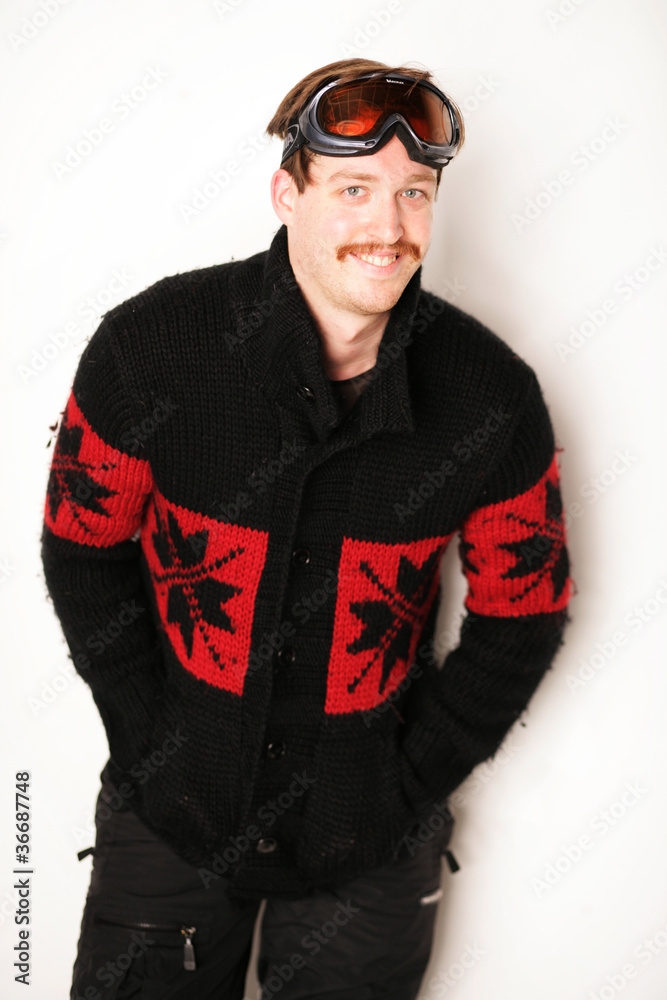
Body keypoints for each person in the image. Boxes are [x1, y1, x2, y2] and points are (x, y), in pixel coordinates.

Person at [41, 57, 572, 999]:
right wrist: (148, 740)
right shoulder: (149, 348)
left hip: (370, 837)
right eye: (353, 189)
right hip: (169, 814)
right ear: (287, 194)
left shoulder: (491, 397)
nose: (388, 226)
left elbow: (523, 612)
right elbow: (83, 547)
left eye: (413, 192)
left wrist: (410, 783)